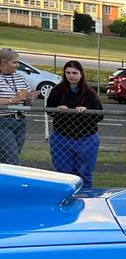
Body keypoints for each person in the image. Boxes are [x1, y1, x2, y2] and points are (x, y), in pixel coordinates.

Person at [46, 60, 104, 188]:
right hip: (62, 138)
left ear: (81, 74)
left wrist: (87, 112)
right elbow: (49, 110)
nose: (71, 75)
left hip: (86, 139)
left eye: (74, 73)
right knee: (63, 174)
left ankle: (86, 201)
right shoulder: (57, 90)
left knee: (84, 174)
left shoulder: (90, 93)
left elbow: (100, 115)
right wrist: (57, 110)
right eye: (68, 72)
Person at [0, 47, 41, 165]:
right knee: (12, 160)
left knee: (8, 158)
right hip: (3, 122)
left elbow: (27, 101)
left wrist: (29, 98)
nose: (18, 65)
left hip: (20, 121)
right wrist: (13, 99)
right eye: (15, 62)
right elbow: (15, 99)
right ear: (3, 62)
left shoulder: (19, 77)